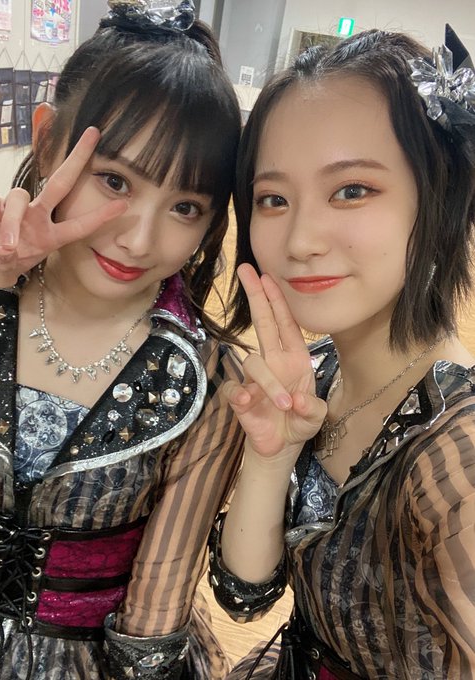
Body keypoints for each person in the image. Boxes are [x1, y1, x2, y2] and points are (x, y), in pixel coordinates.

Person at [0, 1, 244, 678]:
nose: (139, 240)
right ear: (47, 142)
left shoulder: (205, 382)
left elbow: (156, 612)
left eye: (185, 207)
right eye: (114, 181)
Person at [208, 25, 475, 680]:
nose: (300, 239)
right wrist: (270, 459)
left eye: (352, 190)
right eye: (273, 199)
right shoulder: (321, 374)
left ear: (440, 196)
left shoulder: (458, 460)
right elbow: (245, 596)